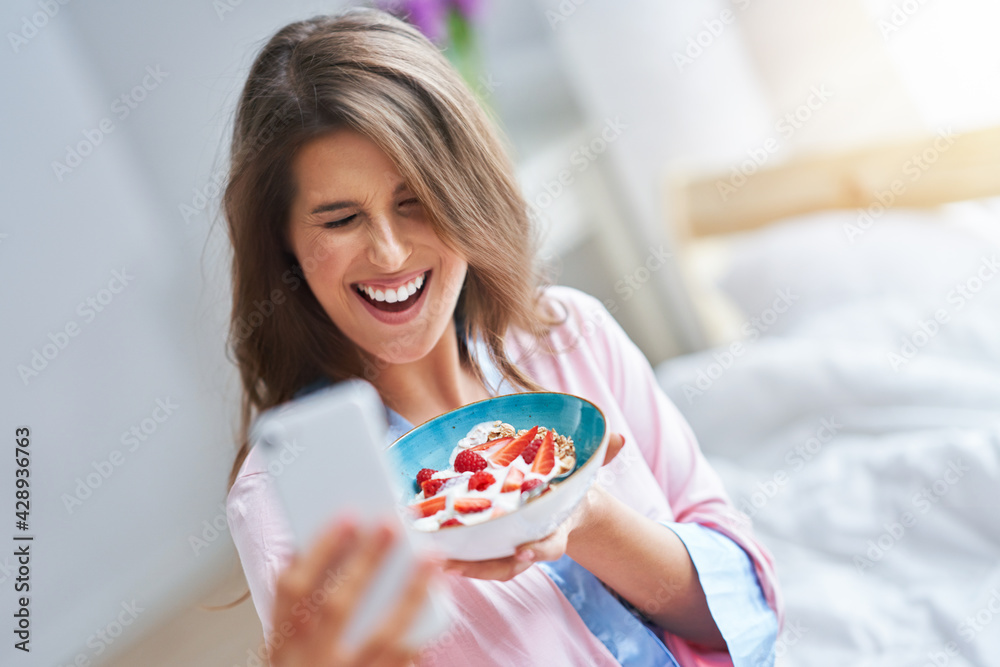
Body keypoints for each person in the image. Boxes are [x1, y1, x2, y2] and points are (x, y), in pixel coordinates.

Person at [223, 8, 782, 666]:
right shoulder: (284, 491)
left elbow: (744, 610)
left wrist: (585, 518)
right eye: (341, 218)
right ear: (284, 244)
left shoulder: (571, 334)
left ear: (465, 191)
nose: (390, 249)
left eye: (416, 199)